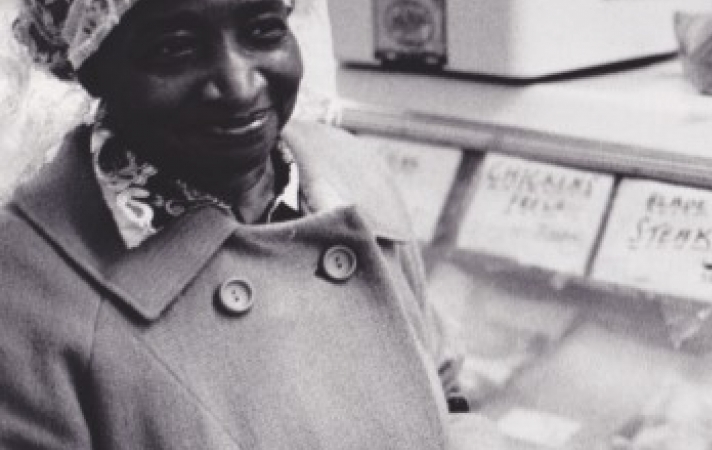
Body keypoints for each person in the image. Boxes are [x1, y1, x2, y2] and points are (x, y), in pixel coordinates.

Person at [1, 0, 476, 447]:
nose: (240, 86)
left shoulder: (349, 169)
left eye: (264, 30)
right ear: (88, 62)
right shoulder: (25, 284)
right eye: (175, 48)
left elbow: (441, 389)